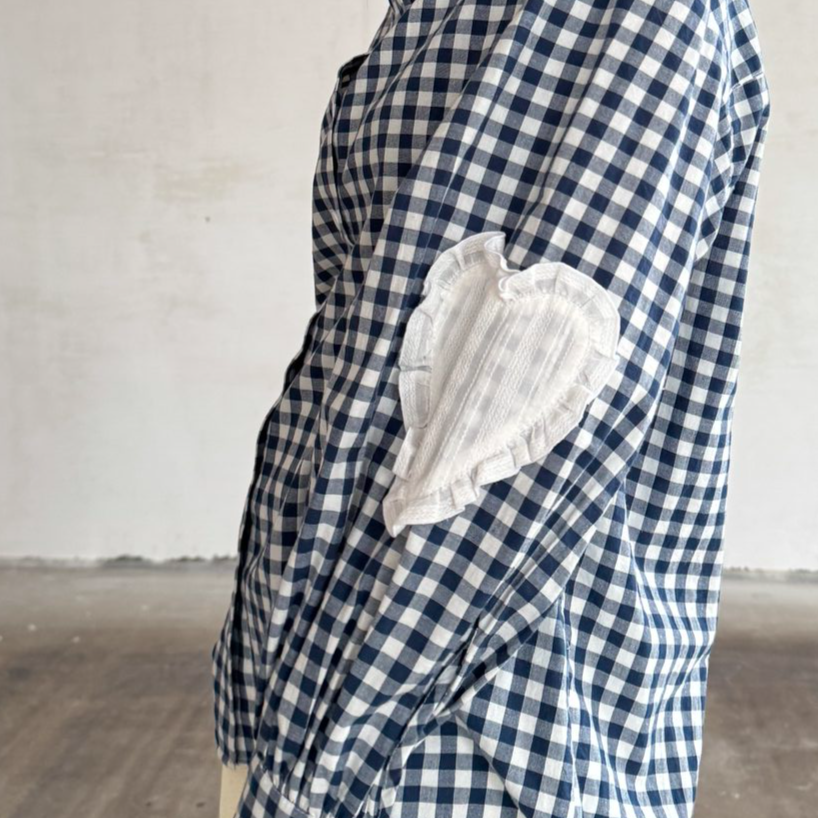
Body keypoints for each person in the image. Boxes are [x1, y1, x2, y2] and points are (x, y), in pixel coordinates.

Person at [212, 1, 771, 816]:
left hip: (455, 728)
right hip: (310, 674)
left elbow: (494, 474)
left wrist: (316, 772)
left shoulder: (620, 14)